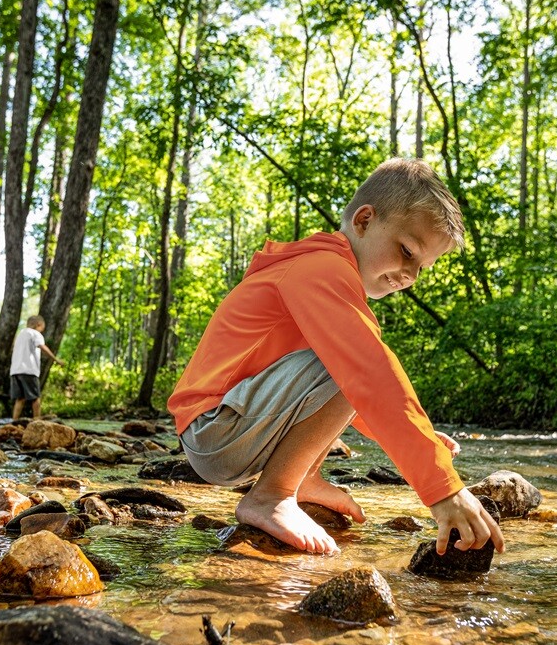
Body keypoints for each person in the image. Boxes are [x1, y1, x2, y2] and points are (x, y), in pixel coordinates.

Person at [168, 158, 506, 556]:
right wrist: (442, 488)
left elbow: (329, 398)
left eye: (421, 266)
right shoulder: (321, 270)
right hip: (216, 431)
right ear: (363, 220)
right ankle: (271, 494)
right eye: (406, 251)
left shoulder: (326, 276)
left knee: (348, 363)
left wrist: (422, 439)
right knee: (352, 364)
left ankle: (300, 478)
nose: (410, 275)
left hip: (229, 428)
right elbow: (370, 379)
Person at [10, 315, 62, 421]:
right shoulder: (35, 334)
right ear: (38, 324)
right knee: (36, 398)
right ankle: (37, 421)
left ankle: (14, 422)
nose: (42, 330)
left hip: (15, 371)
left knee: (20, 398)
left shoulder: (21, 333)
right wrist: (55, 359)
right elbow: (42, 346)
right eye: (43, 327)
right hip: (28, 370)